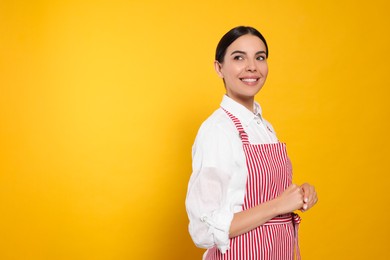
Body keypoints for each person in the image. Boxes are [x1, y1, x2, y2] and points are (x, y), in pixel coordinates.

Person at [185, 26, 318, 260]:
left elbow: (261, 193)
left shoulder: (264, 127)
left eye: (260, 57)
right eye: (238, 58)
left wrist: (300, 193)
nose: (252, 67)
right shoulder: (218, 131)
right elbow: (204, 230)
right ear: (219, 68)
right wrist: (279, 205)